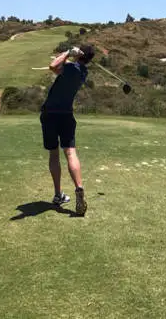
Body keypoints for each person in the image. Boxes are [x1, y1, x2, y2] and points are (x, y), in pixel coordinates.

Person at [40, 44, 95, 216]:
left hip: (50, 114)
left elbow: (53, 67)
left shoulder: (71, 68)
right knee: (70, 153)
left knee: (54, 154)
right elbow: (58, 67)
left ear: (79, 54)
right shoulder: (83, 72)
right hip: (67, 115)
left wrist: (67, 52)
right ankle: (79, 188)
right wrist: (69, 56)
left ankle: (58, 195)